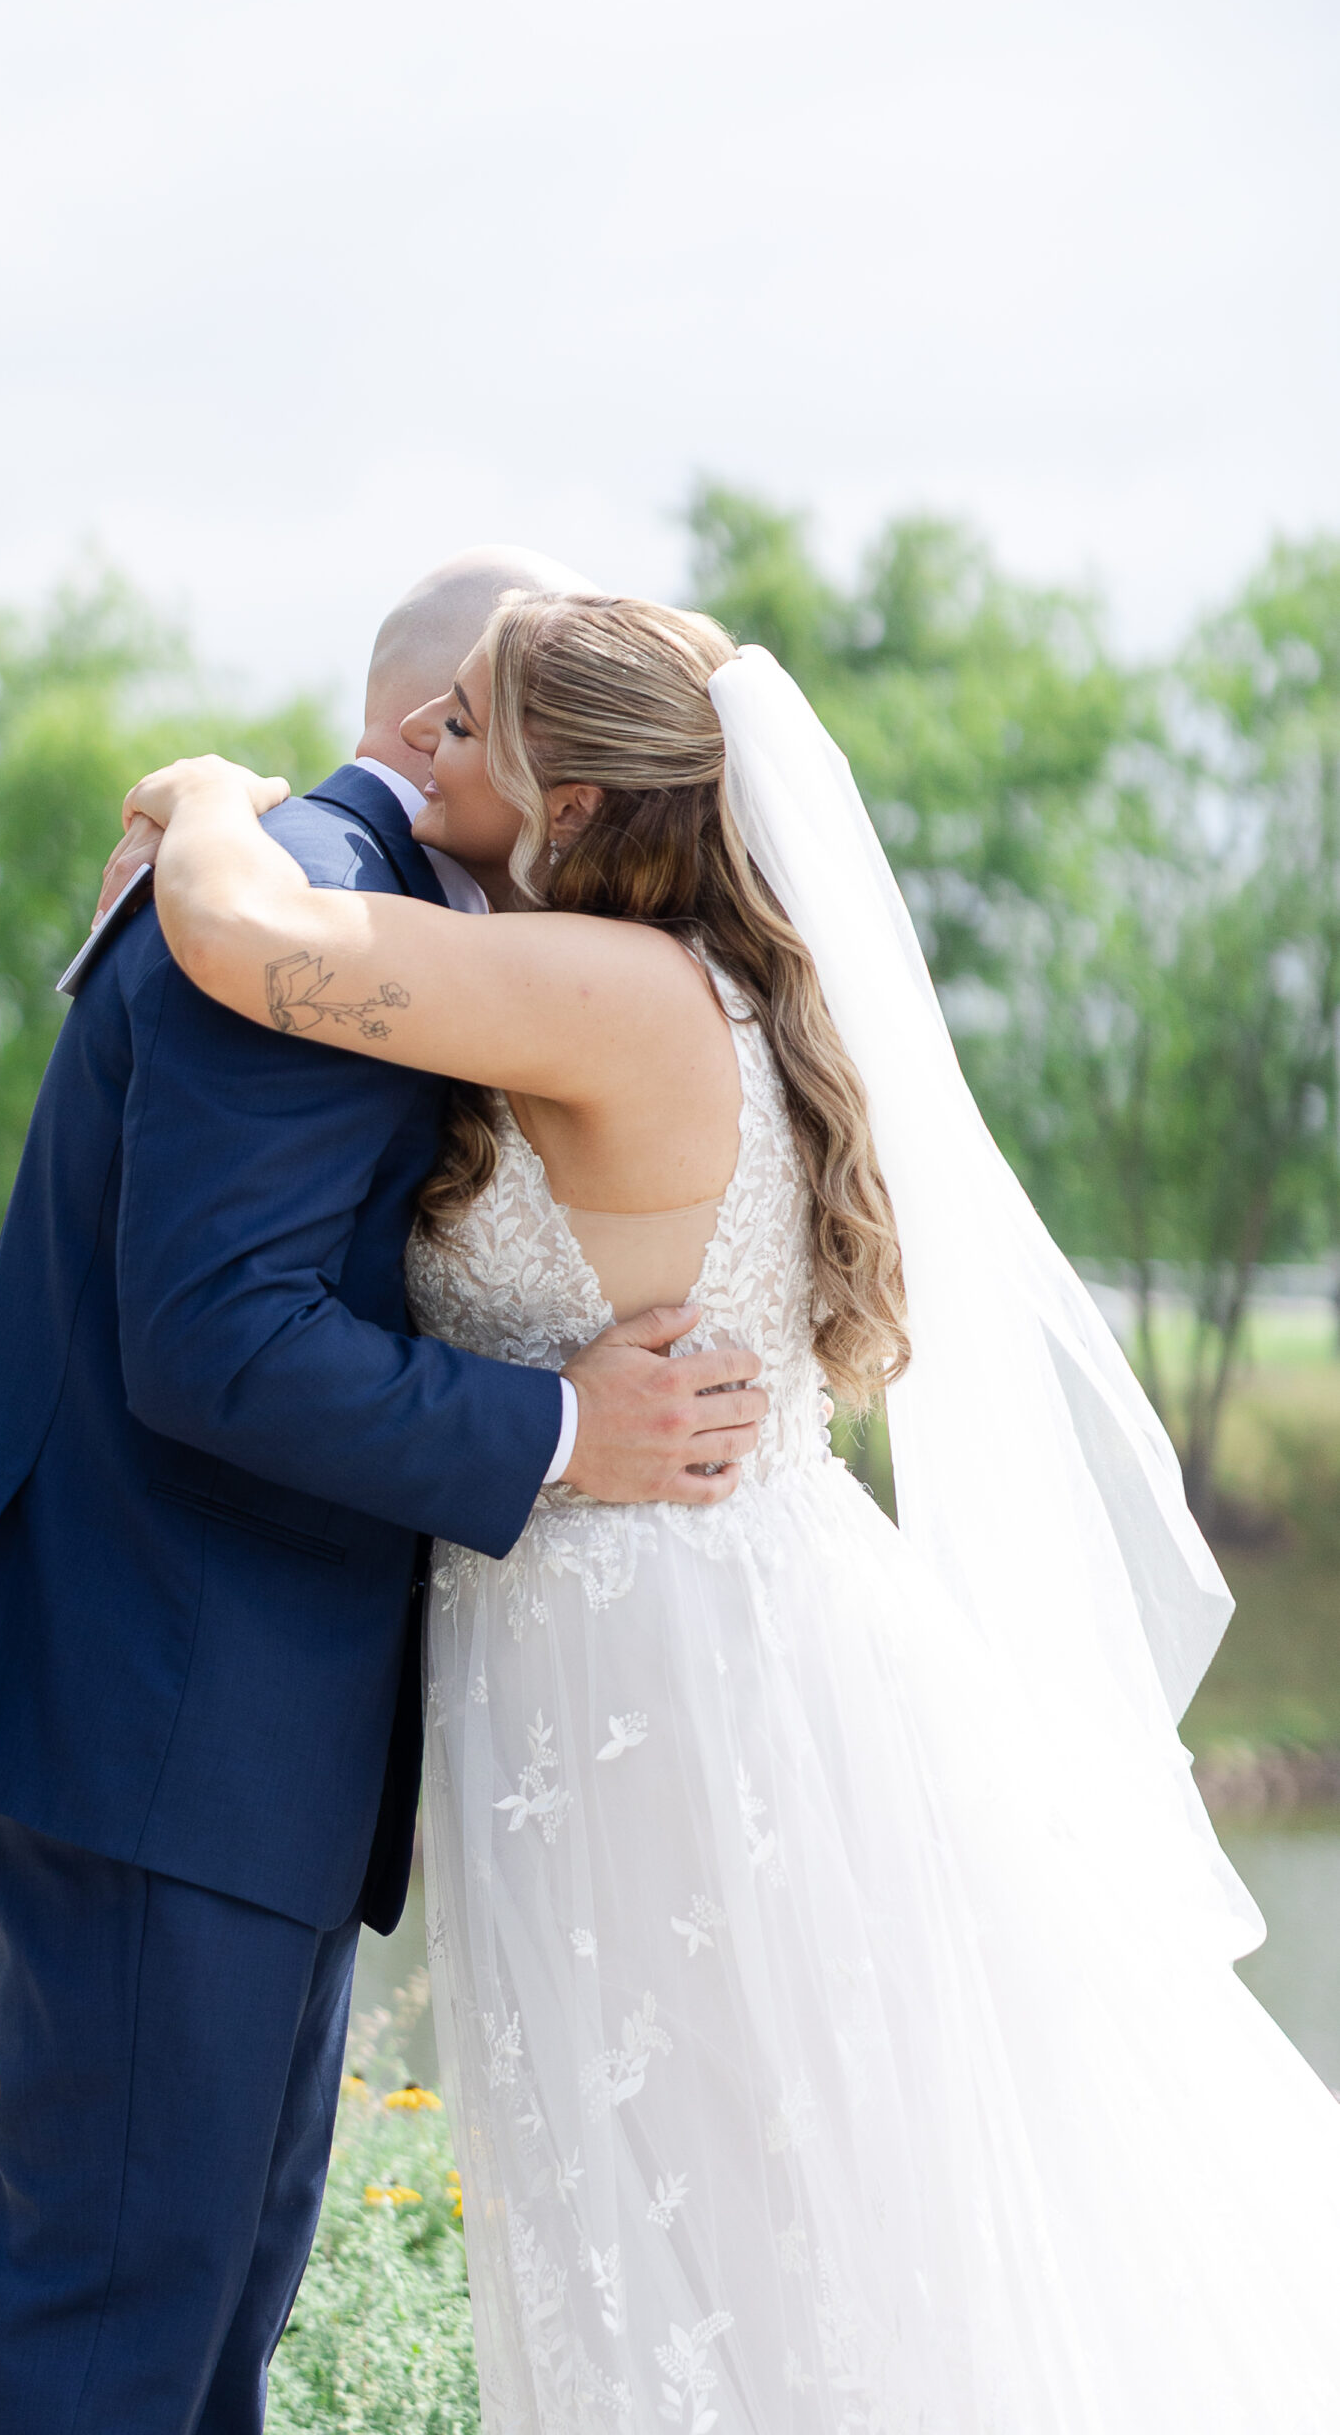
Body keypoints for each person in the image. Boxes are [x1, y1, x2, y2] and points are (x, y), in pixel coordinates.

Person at [125, 589, 1340, 2432]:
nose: (421, 754)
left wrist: (202, 786)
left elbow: (240, 932)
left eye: (471, 729)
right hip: (712, 1619)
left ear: (592, 808)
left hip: (653, 1670)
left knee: (719, 2193)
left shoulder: (604, 986)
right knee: (770, 2194)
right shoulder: (712, 972)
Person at [0, 551, 770, 2435]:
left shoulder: (360, 909)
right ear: (444, 731)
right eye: (531, 732)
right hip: (159, 1695)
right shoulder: (327, 906)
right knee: (122, 2326)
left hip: (228, 1716)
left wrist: (199, 799)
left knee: (207, 2322)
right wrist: (561, 1434)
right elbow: (220, 1340)